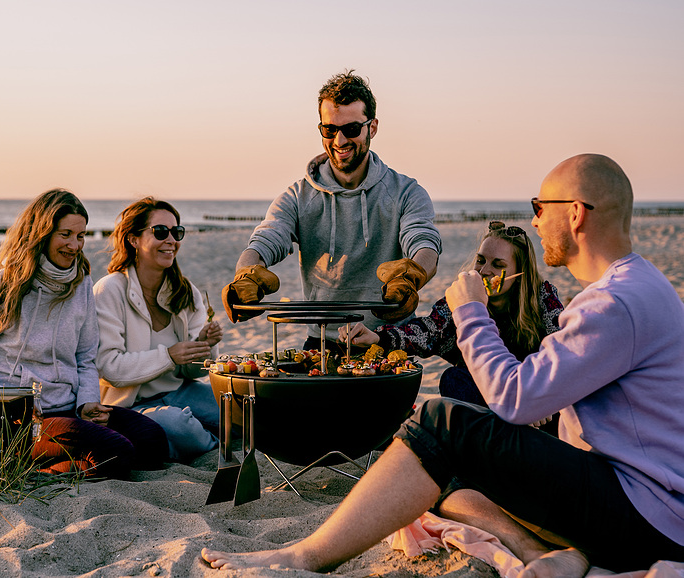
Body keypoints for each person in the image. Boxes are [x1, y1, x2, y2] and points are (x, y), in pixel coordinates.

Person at [201, 154, 684, 575]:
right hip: (634, 495)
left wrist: (469, 310)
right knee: (427, 465)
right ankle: (541, 549)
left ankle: (305, 557)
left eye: (540, 207)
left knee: (439, 420)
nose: (535, 221)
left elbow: (515, 399)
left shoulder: (613, 303)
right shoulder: (638, 287)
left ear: (575, 214)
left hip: (645, 514)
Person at [0, 189, 168, 480]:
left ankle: (68, 459)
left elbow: (86, 357)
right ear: (41, 233)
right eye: (65, 234)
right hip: (24, 421)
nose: (75, 245)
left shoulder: (81, 284)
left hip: (71, 410)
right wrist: (8, 401)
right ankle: (29, 467)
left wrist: (87, 403)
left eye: (81, 236)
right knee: (116, 453)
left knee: (153, 442)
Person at [221, 70, 442, 352]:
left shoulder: (406, 192)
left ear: (372, 128)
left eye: (351, 129)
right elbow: (266, 239)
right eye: (330, 130)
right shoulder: (297, 196)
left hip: (388, 338)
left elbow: (425, 244)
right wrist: (246, 274)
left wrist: (413, 276)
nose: (339, 141)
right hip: (322, 340)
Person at [340, 220, 564, 409]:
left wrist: (539, 399)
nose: (484, 270)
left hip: (535, 399)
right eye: (480, 260)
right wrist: (377, 337)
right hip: (488, 403)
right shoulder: (461, 297)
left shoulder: (542, 297)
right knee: (454, 379)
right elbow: (427, 331)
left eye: (498, 264)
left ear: (519, 272)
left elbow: (563, 353)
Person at [94, 197, 223, 462]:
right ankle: (213, 442)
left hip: (180, 391)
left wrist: (203, 346)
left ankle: (205, 436)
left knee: (240, 407)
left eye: (177, 232)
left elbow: (193, 372)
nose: (172, 240)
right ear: (133, 239)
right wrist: (170, 355)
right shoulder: (109, 290)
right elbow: (109, 367)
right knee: (180, 426)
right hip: (130, 403)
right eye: (160, 232)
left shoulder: (184, 290)